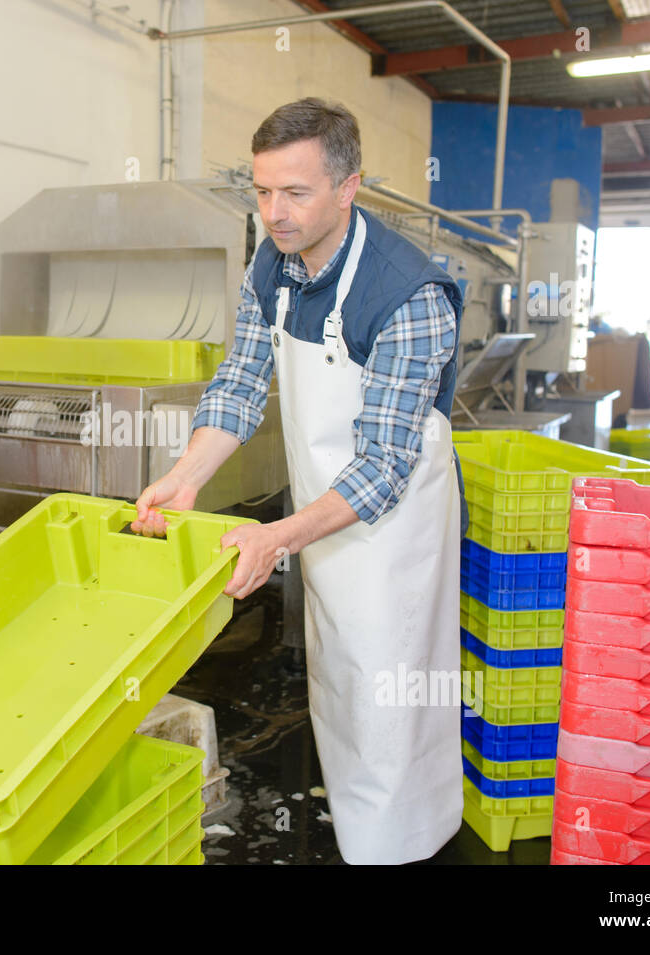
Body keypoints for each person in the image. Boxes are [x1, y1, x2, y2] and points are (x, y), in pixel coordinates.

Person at [132, 97, 465, 865]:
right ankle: (358, 840)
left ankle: (408, 846)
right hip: (324, 513)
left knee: (390, 692)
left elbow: (383, 464)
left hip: (392, 527)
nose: (273, 213)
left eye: (296, 192)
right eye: (261, 191)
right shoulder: (271, 263)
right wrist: (185, 478)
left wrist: (277, 537)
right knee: (339, 680)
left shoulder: (408, 295)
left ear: (349, 187)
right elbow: (242, 382)